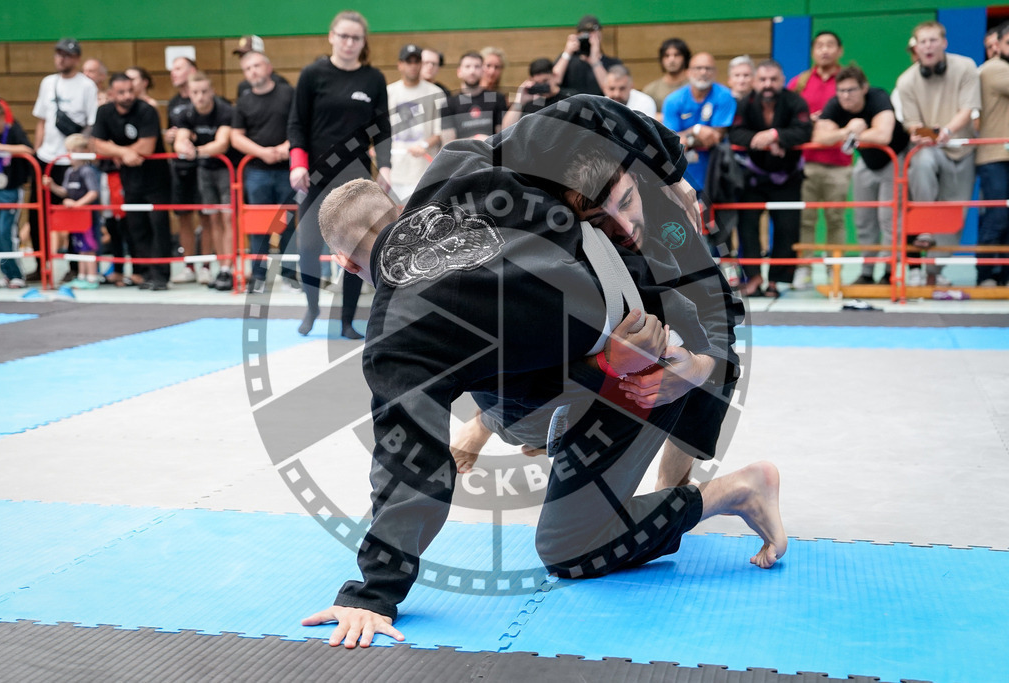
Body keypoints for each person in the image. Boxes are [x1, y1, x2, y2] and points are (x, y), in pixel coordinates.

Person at [299, 96, 778, 648]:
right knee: (497, 383)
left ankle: (735, 491)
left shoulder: (396, 334)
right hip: (649, 300)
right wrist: (671, 167)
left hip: (647, 346)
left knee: (571, 546)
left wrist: (372, 593)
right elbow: (579, 111)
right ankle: (638, 453)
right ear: (397, 201)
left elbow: (410, 467)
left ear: (346, 265)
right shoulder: (457, 164)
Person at [287, 10, 391, 338]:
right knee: (307, 247)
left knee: (355, 249)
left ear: (363, 42)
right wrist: (297, 163)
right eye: (343, 36)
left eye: (355, 38)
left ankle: (347, 320)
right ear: (332, 36)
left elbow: (383, 129)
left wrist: (385, 165)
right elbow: (296, 123)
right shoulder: (312, 74)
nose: (349, 42)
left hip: (355, 179)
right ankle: (312, 307)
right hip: (315, 177)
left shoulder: (373, 79)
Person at [895, 21, 980, 287]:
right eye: (923, 41)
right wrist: (921, 134)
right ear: (916, 47)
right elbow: (911, 123)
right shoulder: (906, 81)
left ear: (944, 43)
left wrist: (948, 130)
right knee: (920, 163)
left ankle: (934, 271)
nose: (928, 46)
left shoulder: (966, 66)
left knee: (954, 215)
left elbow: (968, 108)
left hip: (962, 148)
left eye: (933, 40)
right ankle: (926, 227)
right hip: (929, 148)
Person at [814, 65, 910, 285]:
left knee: (889, 219)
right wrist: (849, 130)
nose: (846, 96)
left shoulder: (878, 97)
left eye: (851, 90)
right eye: (841, 90)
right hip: (867, 161)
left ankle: (889, 272)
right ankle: (867, 272)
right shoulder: (836, 105)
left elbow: (883, 135)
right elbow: (819, 137)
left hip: (894, 158)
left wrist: (846, 135)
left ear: (864, 88)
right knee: (863, 219)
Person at [730, 59, 813, 297]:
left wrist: (776, 135)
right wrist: (760, 139)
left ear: (783, 81)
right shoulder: (745, 104)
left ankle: (776, 280)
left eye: (773, 79)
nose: (768, 84)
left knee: (787, 228)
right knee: (747, 226)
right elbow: (735, 133)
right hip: (753, 177)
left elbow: (805, 131)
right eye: (763, 79)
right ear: (755, 82)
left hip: (788, 177)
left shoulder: (795, 101)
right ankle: (753, 277)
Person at [91, 72, 172, 291]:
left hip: (156, 178)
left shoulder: (146, 110)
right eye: (121, 92)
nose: (127, 96)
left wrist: (120, 152)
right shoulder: (104, 112)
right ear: (111, 94)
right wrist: (123, 153)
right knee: (136, 225)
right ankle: (144, 273)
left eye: (130, 91)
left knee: (158, 225)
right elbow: (97, 144)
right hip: (130, 178)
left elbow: (147, 146)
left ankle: (161, 275)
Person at [28, 38, 98, 281]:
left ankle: (75, 266)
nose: (61, 58)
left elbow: (91, 123)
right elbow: (42, 120)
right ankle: (41, 263)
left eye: (66, 54)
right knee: (37, 214)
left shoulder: (87, 86)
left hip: (71, 161)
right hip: (47, 158)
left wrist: (80, 153)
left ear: (76, 58)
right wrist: (37, 152)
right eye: (58, 54)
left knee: (73, 215)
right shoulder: (48, 82)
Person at [787, 31, 850, 291]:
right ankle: (804, 268)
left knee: (836, 219)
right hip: (806, 163)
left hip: (839, 163)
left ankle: (835, 269)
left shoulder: (847, 81)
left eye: (830, 45)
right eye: (820, 45)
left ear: (839, 50)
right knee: (806, 219)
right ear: (813, 51)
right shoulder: (799, 82)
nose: (825, 50)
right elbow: (787, 115)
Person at [231, 50, 297, 292]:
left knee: (288, 223)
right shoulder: (244, 101)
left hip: (286, 170)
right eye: (247, 69)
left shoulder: (288, 94)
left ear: (268, 68)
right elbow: (236, 137)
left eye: (257, 66)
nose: (253, 71)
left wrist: (285, 147)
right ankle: (258, 276)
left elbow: (300, 125)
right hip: (257, 172)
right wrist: (262, 152)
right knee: (258, 225)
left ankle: (290, 274)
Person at [174, 71, 237, 292]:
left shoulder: (225, 111)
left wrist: (196, 151)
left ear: (212, 91)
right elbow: (180, 141)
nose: (200, 97)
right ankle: (221, 268)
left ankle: (229, 267)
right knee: (213, 219)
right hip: (204, 170)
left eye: (203, 91)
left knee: (228, 218)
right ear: (189, 94)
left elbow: (222, 144)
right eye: (195, 92)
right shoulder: (186, 114)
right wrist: (184, 146)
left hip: (226, 169)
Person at [165, 56, 211, 285]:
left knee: (207, 216)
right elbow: (172, 134)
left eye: (178, 68)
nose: (173, 72)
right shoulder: (173, 103)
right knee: (183, 217)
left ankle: (206, 266)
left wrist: (194, 137)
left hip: (203, 166)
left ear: (192, 70)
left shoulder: (208, 102)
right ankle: (189, 266)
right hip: (180, 168)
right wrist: (171, 137)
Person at [662, 52, 737, 193]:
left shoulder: (725, 96)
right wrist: (695, 130)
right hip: (682, 176)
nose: (703, 72)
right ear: (688, 72)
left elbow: (715, 137)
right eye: (698, 68)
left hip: (715, 175)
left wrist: (687, 140)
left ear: (715, 72)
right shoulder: (673, 100)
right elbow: (671, 141)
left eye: (708, 68)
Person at [386, 44, 444, 203]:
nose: (413, 66)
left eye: (416, 61)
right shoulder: (389, 92)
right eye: (408, 61)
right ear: (400, 64)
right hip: (394, 172)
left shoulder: (435, 93)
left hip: (422, 173)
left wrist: (424, 145)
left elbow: (439, 132)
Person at [43, 133, 101, 289]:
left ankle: (92, 277)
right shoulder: (70, 172)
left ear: (84, 151)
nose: (70, 155)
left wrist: (77, 204)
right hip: (76, 218)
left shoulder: (87, 171)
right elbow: (65, 192)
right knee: (80, 247)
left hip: (87, 216)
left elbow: (93, 192)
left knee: (89, 247)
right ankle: (82, 276)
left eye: (74, 151)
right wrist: (52, 186)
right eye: (68, 151)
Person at [975, 23, 1009, 287]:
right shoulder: (994, 69)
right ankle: (986, 274)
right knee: (997, 216)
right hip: (995, 157)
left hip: (1001, 155)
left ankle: (1003, 275)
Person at [0, 99, 32, 289]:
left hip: (10, 189)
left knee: (7, 232)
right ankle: (6, 274)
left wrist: (1, 146)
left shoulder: (12, 130)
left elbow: (27, 149)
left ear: (0, 118)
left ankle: (16, 274)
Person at [440, 52, 508, 144]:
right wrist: (475, 140)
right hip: (462, 153)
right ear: (459, 72)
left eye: (477, 67)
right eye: (467, 66)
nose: (472, 71)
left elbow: (502, 137)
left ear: (483, 71)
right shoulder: (449, 104)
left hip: (490, 151)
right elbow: (448, 144)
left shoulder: (497, 99)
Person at [553, 15, 622, 97]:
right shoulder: (567, 60)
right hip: (572, 104)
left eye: (592, 32)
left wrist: (595, 61)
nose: (589, 37)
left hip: (598, 104)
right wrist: (567, 53)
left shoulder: (613, 63)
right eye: (585, 33)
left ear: (600, 35)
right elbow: (554, 81)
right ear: (578, 35)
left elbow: (610, 89)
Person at [502, 57, 566, 128]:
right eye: (538, 83)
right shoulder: (530, 102)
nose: (542, 86)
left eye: (545, 81)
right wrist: (519, 101)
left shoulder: (567, 98)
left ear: (554, 75)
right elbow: (506, 128)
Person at [233, 35, 290, 99]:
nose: (245, 59)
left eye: (249, 55)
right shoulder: (243, 87)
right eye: (241, 56)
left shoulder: (279, 82)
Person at [642, 38, 691, 113]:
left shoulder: (695, 87)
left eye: (677, 55)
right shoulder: (650, 90)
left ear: (685, 58)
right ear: (661, 60)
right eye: (666, 56)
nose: (671, 59)